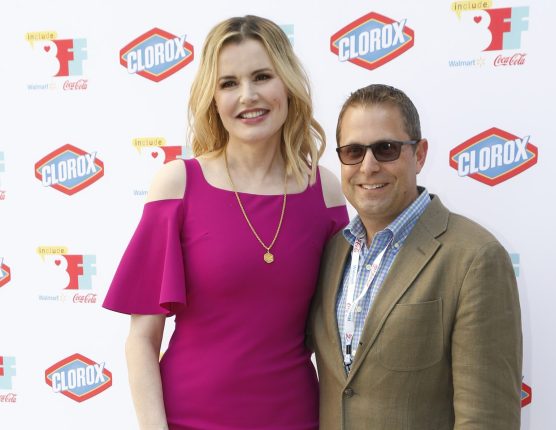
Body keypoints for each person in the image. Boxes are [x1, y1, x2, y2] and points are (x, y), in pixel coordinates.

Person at [103, 15, 348, 430]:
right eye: (229, 83)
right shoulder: (179, 184)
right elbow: (142, 340)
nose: (248, 96)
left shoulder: (323, 191)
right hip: (188, 419)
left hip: (294, 418)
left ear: (286, 83)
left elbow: (336, 332)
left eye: (262, 76)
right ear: (212, 98)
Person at [307, 84, 522, 429]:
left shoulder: (475, 258)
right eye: (353, 152)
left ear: (419, 154)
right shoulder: (332, 251)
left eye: (387, 149)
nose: (368, 166)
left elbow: (486, 418)